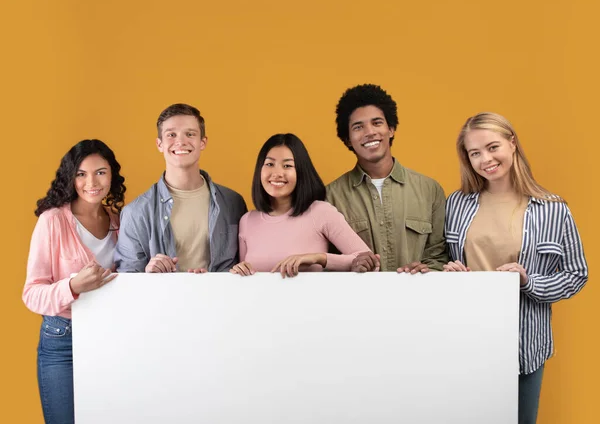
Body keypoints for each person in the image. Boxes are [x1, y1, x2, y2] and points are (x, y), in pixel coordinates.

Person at [443, 112, 588, 423]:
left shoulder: (552, 208)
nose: (486, 159)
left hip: (524, 343)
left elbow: (577, 274)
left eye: (492, 147)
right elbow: (441, 258)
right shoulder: (456, 204)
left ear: (512, 143)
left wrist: (529, 281)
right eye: (475, 153)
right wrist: (449, 272)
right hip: (466, 339)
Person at [23, 139, 126, 424]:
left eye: (100, 172)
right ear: (71, 177)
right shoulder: (53, 220)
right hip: (62, 339)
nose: (91, 182)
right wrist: (72, 286)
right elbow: (32, 293)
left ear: (112, 175)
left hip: (111, 336)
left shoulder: (121, 222)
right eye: (81, 174)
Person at [326, 84, 448, 273]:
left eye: (377, 123)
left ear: (391, 129)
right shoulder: (330, 197)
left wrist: (425, 269)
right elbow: (324, 264)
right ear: (348, 139)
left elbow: (439, 257)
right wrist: (350, 266)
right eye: (358, 127)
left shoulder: (430, 190)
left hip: (419, 300)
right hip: (357, 301)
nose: (369, 132)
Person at [115, 103, 247, 273]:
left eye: (190, 134)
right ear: (159, 144)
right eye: (171, 134)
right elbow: (127, 281)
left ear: (203, 142)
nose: (181, 142)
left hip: (220, 299)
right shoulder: (136, 212)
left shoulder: (233, 202)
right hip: (164, 300)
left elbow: (247, 261)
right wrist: (148, 275)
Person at [230, 133, 371, 278]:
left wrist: (318, 258)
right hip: (260, 300)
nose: (277, 173)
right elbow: (246, 281)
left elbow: (367, 260)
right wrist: (240, 270)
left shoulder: (320, 212)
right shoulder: (247, 221)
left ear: (301, 171)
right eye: (270, 164)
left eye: (287, 166)